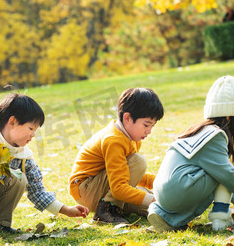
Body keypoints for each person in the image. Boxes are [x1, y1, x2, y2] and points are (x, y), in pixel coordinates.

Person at [0, 92, 89, 238]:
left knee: (19, 178)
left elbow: (37, 192)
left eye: (35, 130)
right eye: (31, 128)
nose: (33, 135)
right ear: (12, 122)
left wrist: (67, 210)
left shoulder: (23, 156)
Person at [148, 75, 234, 232]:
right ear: (229, 116)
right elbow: (225, 173)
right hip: (179, 189)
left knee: (218, 170)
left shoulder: (198, 131)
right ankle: (221, 219)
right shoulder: (215, 135)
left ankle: (168, 219)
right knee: (222, 172)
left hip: (163, 193)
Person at [68, 88, 164, 224]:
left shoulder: (132, 137)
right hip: (86, 189)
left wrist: (160, 182)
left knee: (158, 204)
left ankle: (114, 206)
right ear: (128, 118)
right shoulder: (114, 140)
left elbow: (125, 172)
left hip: (104, 186)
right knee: (139, 162)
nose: (148, 131)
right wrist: (152, 198)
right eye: (146, 125)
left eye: (152, 126)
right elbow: (119, 188)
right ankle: (106, 209)